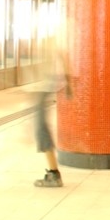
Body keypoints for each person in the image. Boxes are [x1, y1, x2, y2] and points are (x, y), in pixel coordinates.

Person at [34, 56, 72, 187]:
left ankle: (54, 174)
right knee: (41, 130)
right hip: (43, 88)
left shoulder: (51, 42)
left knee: (41, 131)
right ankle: (53, 172)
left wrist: (68, 83)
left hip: (43, 88)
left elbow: (62, 54)